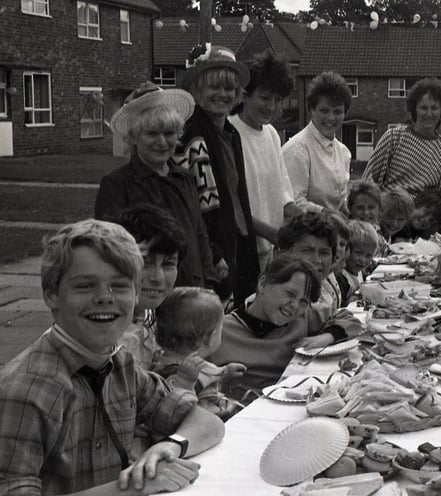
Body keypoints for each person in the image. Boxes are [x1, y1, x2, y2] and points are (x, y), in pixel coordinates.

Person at [0, 219, 224, 496]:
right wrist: (130, 485)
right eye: (85, 285)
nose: (104, 296)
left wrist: (170, 446)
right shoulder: (30, 389)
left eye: (119, 285)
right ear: (52, 295)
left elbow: (207, 422)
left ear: (136, 295)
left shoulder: (118, 364)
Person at [96, 81, 217, 291]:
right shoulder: (117, 184)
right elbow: (112, 248)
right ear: (133, 138)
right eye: (152, 134)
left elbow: (199, 233)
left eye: (169, 134)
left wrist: (209, 280)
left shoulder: (185, 178)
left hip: (191, 287)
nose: (162, 142)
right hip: (147, 291)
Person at [174, 44, 260, 308]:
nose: (222, 94)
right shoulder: (191, 135)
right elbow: (190, 205)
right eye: (214, 87)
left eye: (229, 88)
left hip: (237, 243)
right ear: (197, 90)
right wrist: (214, 252)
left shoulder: (231, 134)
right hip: (210, 254)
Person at [210, 253, 360, 402]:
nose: (294, 305)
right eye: (290, 294)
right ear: (262, 284)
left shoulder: (301, 319)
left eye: (303, 301)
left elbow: (352, 321)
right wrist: (220, 378)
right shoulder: (219, 331)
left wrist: (326, 337)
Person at [230, 51, 302, 271]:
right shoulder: (230, 132)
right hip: (241, 253)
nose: (271, 106)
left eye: (277, 100)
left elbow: (284, 198)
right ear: (245, 94)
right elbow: (232, 208)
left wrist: (314, 221)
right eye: (264, 97)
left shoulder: (271, 134)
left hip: (270, 252)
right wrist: (272, 233)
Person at [362, 78, 441, 223]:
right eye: (423, 107)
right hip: (386, 218)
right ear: (414, 109)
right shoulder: (394, 137)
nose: (429, 113)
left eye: (434, 108)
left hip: (421, 223)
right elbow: (369, 181)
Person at [153, 287, 247, 421]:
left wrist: (225, 374)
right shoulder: (174, 371)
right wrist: (185, 382)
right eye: (220, 330)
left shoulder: (181, 362)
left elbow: (205, 380)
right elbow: (175, 408)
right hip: (202, 425)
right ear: (208, 338)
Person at [276, 212, 364, 350]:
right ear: (285, 253)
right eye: (307, 251)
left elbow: (352, 323)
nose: (317, 260)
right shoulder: (275, 294)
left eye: (324, 253)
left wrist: (327, 337)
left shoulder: (313, 299)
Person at [116, 204, 186, 370]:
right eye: (145, 262)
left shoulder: (148, 318)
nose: (158, 277)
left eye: (168, 264)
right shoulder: (107, 337)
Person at [282, 71, 352, 212]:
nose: (331, 118)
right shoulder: (297, 149)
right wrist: (328, 214)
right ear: (311, 110)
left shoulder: (344, 152)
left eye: (337, 112)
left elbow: (341, 202)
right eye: (324, 111)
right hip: (306, 231)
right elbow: (293, 203)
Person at [340, 219, 380, 303]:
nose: (362, 260)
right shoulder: (342, 278)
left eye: (368, 256)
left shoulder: (361, 272)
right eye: (358, 253)